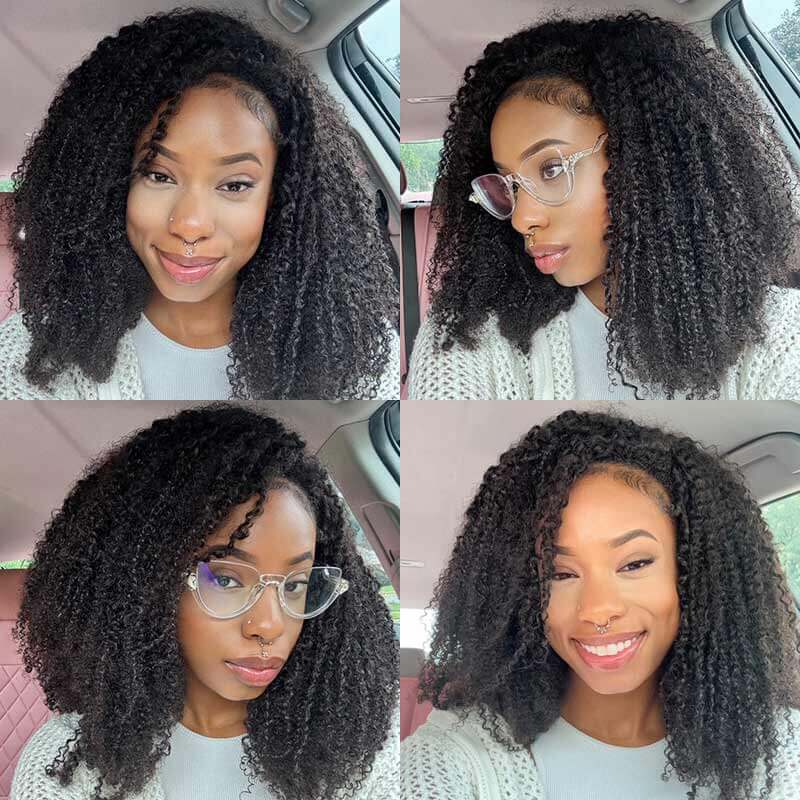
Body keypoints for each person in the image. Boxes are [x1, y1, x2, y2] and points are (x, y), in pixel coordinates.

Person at [0, 8, 399, 400]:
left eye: (235, 185)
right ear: (107, 184)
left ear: (279, 199)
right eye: (159, 176)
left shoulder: (353, 351)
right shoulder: (28, 355)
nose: (190, 225)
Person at [401, 409, 800, 799]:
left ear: (697, 572)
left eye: (635, 564)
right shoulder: (453, 759)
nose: (597, 609)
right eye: (560, 574)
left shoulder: (782, 751)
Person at [11, 404, 398, 799]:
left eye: (295, 585)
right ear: (146, 585)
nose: (270, 625)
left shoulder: (357, 753)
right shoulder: (67, 763)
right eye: (227, 579)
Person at [407, 11, 800, 400]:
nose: (522, 218)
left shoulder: (780, 333)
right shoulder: (465, 334)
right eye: (508, 185)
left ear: (645, 160)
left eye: (551, 169)